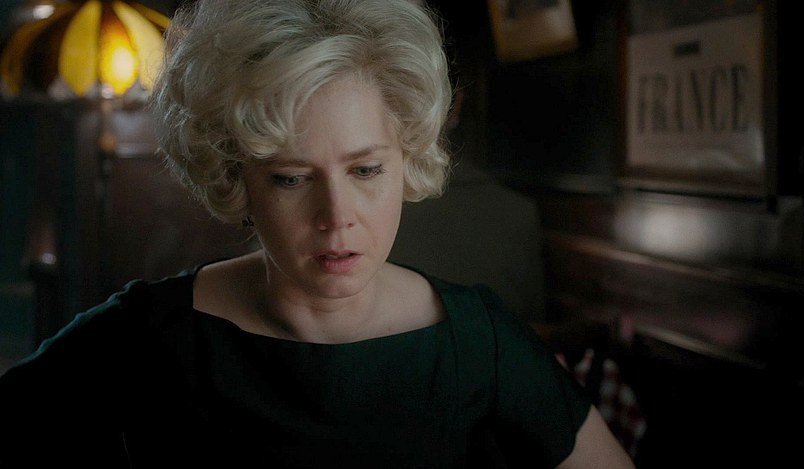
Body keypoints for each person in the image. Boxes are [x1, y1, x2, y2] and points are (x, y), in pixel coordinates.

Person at [0, 0, 636, 467]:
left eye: (365, 170)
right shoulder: (149, 335)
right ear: (236, 176)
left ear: (408, 158)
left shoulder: (478, 342)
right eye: (291, 178)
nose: (336, 216)